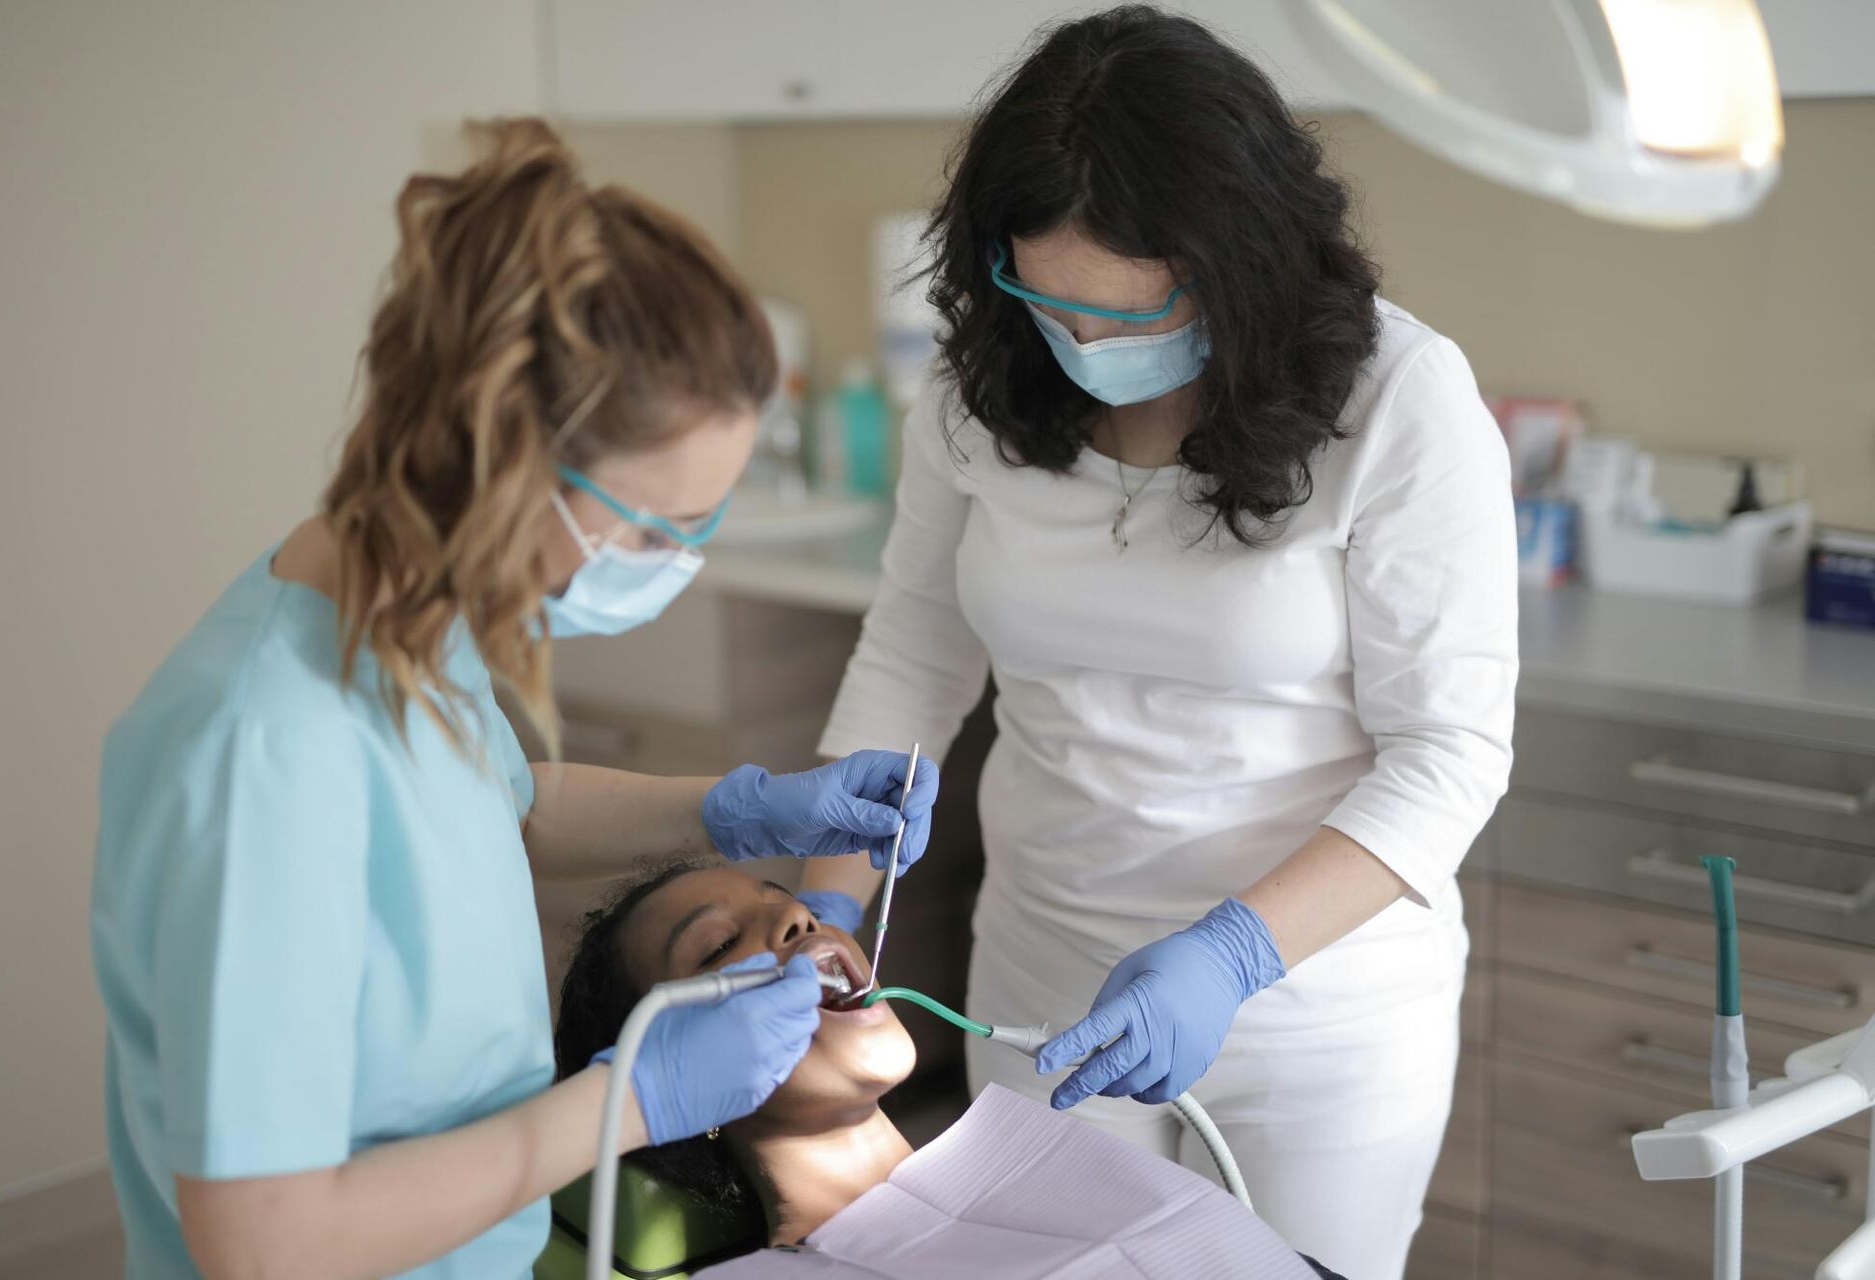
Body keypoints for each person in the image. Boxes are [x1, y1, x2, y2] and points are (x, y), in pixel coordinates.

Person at [89, 119, 938, 1280]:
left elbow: (498, 808)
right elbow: (262, 1242)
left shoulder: (398, 637)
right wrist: (630, 1103)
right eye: (649, 527)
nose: (672, 560)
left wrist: (744, 810)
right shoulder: (266, 755)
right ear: (501, 459)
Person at [801, 9, 1518, 1278]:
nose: (1092, 350)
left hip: (1316, 1012)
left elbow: (1448, 752)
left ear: (1243, 266)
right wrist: (825, 904)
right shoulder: (979, 387)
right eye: (1051, 305)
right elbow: (914, 652)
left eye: (1136, 316)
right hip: (1037, 974)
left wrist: (1231, 955)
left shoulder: (1398, 401)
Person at [554, 860, 1347, 1279]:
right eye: (720, 947)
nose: (800, 916)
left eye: (788, 898)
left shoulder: (1053, 1166)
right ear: (684, 1084)